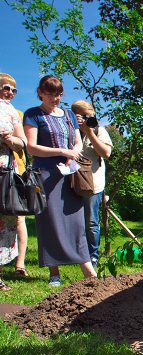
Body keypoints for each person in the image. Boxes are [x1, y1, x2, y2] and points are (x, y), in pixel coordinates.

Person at [23, 76, 97, 286]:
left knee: (76, 222)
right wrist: (61, 151)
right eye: (50, 93)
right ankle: (54, 272)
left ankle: (88, 270)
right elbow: (31, 147)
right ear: (40, 93)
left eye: (58, 94)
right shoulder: (33, 114)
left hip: (70, 174)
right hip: (45, 174)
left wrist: (72, 152)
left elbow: (77, 142)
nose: (55, 98)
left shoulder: (68, 115)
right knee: (49, 222)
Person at [71, 100, 113, 268]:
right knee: (73, 221)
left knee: (91, 222)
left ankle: (92, 256)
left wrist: (89, 132)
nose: (89, 118)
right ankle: (74, 254)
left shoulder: (98, 130)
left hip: (93, 184)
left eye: (91, 116)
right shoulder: (68, 130)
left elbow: (105, 153)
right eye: (84, 116)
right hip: (70, 183)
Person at [0, 74, 28, 291]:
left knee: (4, 222)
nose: (10, 93)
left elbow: (23, 143)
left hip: (4, 173)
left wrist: (11, 140)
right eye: (6, 88)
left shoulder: (12, 112)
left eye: (14, 90)